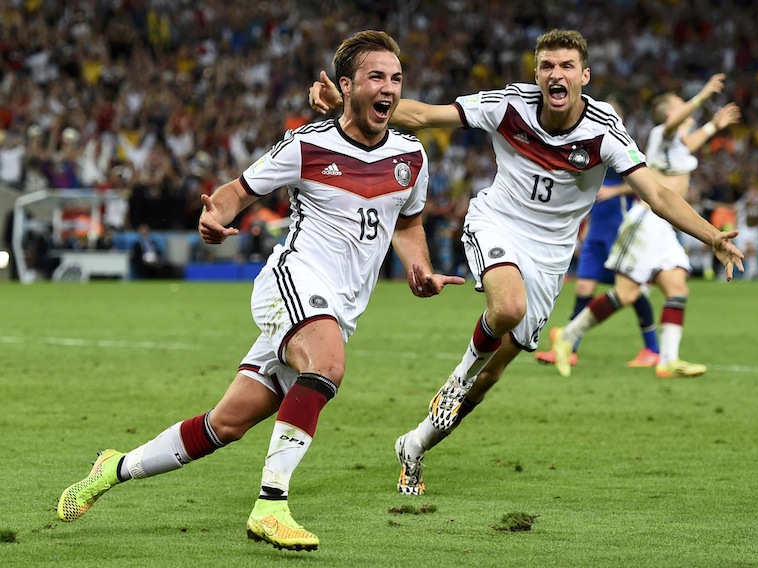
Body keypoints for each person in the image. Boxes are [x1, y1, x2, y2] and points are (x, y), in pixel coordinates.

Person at [56, 30, 463, 552]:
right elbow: (237, 191)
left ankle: (113, 468)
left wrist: (420, 268)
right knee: (328, 365)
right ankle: (271, 506)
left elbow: (408, 225)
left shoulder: (411, 157)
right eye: (376, 77)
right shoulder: (308, 145)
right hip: (291, 285)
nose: (389, 88)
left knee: (223, 425)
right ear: (346, 86)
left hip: (340, 308)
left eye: (396, 79)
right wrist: (213, 216)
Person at [310, 29, 744, 496]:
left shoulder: (604, 131)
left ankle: (415, 445)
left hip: (551, 257)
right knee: (507, 308)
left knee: (491, 375)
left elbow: (657, 192)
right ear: (537, 73)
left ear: (585, 75)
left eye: (566, 67)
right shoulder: (509, 105)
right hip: (497, 223)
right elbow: (423, 115)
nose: (556, 74)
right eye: (547, 66)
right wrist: (348, 106)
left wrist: (711, 235)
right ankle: (454, 381)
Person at [550, 73, 742, 379]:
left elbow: (689, 143)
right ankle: (567, 336)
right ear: (672, 113)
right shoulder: (660, 134)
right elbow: (673, 127)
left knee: (677, 286)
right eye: (681, 107)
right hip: (646, 221)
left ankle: (668, 359)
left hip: (665, 227)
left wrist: (713, 126)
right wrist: (703, 95)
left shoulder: (676, 146)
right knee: (626, 293)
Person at [534, 99, 660, 369]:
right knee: (583, 287)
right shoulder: (588, 145)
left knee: (632, 291)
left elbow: (648, 184)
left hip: (621, 228)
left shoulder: (623, 145)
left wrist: (615, 191)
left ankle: (653, 348)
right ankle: (570, 347)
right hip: (596, 229)